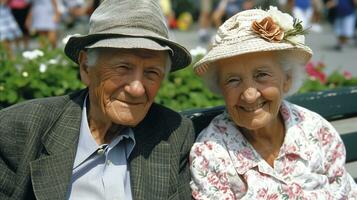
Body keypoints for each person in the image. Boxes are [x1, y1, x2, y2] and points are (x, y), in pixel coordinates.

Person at [0, 0, 194, 199]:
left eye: (151, 72)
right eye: (123, 68)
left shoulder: (173, 133)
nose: (136, 89)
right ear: (85, 67)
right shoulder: (19, 131)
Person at [190, 6, 357, 199]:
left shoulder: (317, 131)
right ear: (220, 88)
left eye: (261, 75)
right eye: (233, 80)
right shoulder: (210, 154)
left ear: (287, 79)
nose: (250, 95)